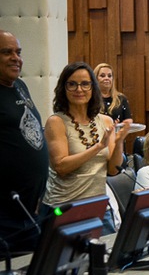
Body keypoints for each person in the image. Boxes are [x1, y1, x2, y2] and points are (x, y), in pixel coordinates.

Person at [42, 62, 131, 235]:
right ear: (63, 88)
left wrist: (119, 141)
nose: (79, 89)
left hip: (98, 207)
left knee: (103, 258)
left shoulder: (105, 121)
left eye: (85, 84)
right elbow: (61, 167)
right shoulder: (56, 122)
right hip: (64, 208)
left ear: (93, 88)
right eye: (72, 84)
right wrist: (98, 147)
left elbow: (113, 170)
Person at [0, 30, 49, 252]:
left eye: (18, 52)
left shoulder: (20, 86)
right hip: (4, 219)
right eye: (6, 52)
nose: (16, 58)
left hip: (30, 212)